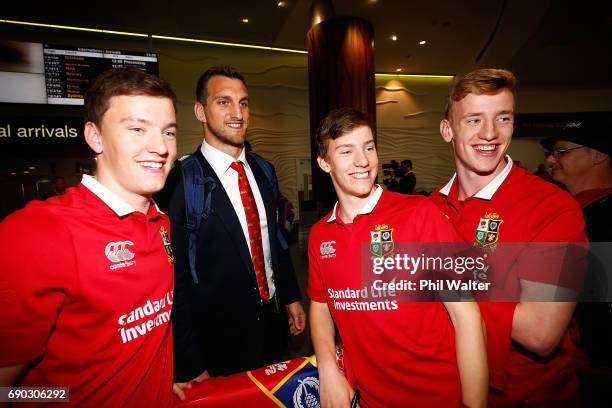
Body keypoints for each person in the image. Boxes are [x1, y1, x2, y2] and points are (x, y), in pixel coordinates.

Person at [0, 68, 177, 406]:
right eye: (137, 129)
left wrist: (161, 382)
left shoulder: (161, 221)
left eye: (168, 132)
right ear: (95, 138)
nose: (160, 147)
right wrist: (65, 398)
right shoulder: (36, 234)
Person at [308, 107, 488, 408]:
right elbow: (320, 305)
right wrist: (327, 366)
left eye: (369, 147)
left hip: (438, 398)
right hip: (368, 399)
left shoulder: (419, 214)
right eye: (346, 151)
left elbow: (466, 316)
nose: (363, 161)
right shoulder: (320, 235)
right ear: (324, 163)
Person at [431, 68, 587, 406]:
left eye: (502, 118)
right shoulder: (428, 208)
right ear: (447, 130)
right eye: (473, 120)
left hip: (530, 397)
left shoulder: (555, 208)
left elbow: (541, 331)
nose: (489, 133)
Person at [163, 66, 305, 399]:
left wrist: (291, 295)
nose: (237, 113)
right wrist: (189, 359)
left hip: (271, 328)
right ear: (201, 111)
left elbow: (275, 241)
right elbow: (175, 281)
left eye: (243, 103)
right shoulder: (180, 182)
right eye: (224, 102)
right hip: (217, 342)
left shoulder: (263, 169)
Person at [541, 119, 612, 405]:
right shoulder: (567, 210)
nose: (549, 159)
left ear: (599, 155)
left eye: (562, 151)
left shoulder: (602, 215)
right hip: (572, 366)